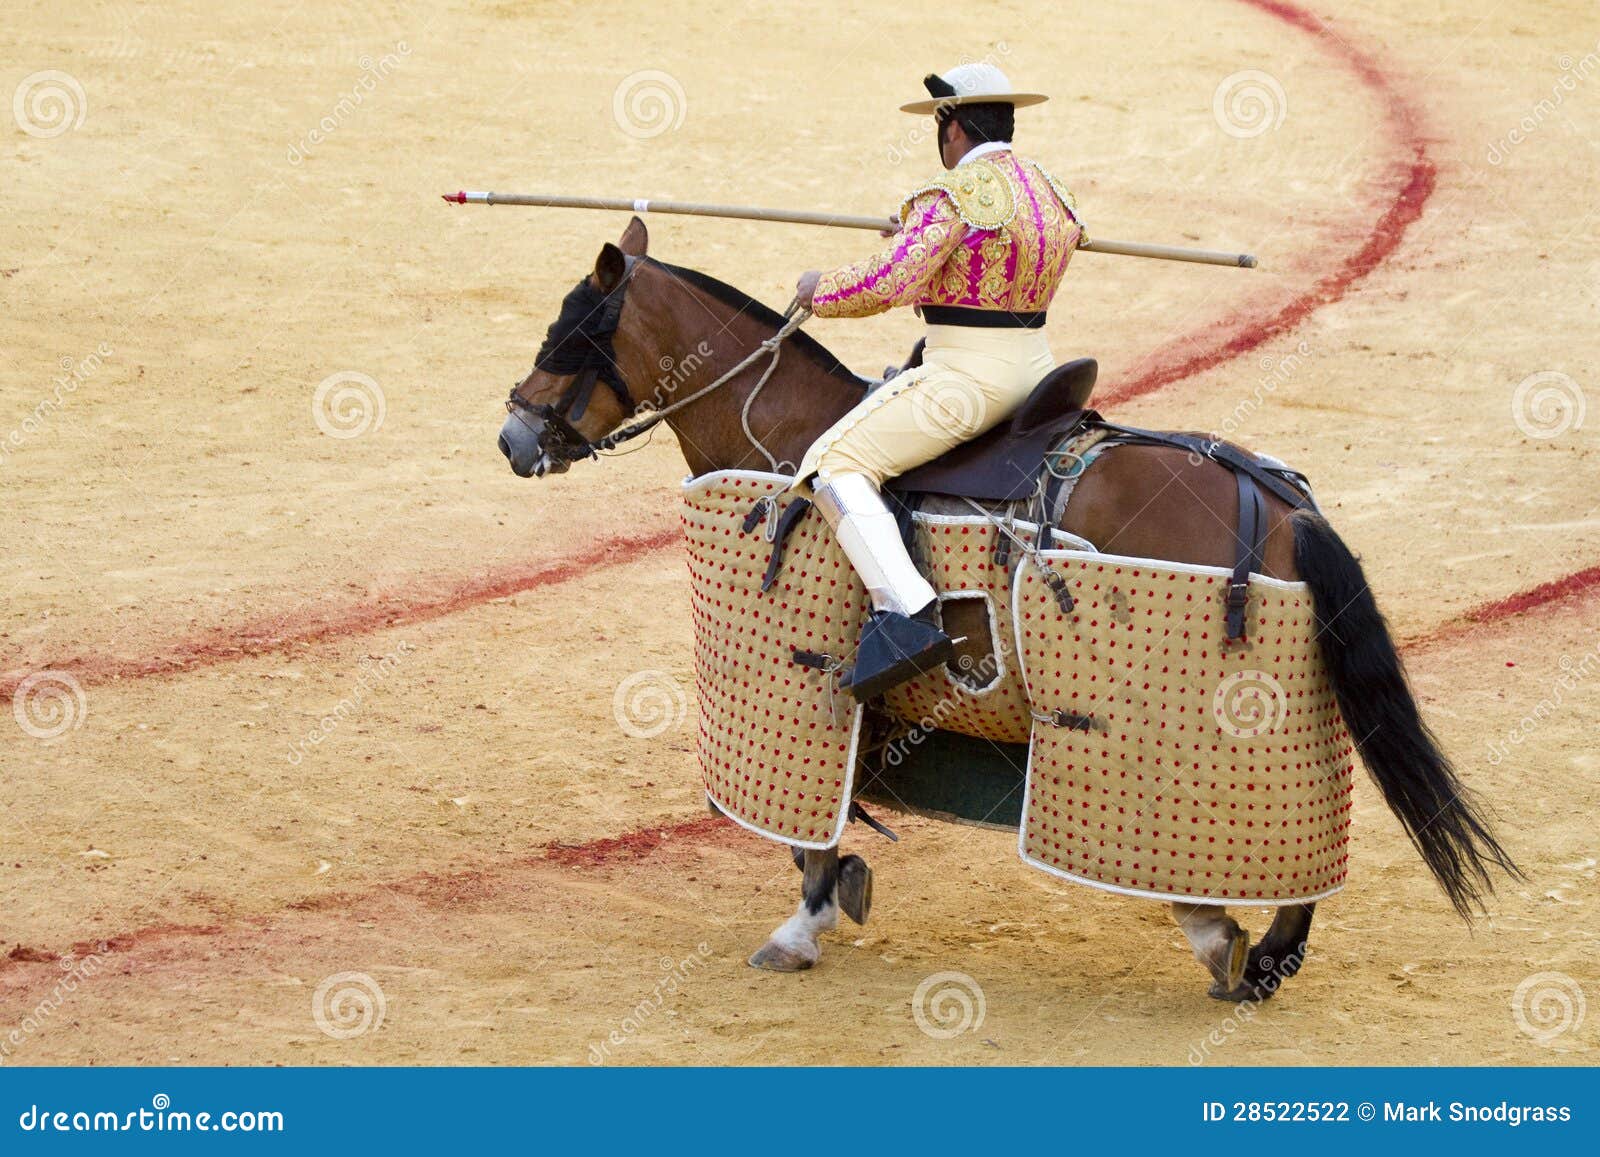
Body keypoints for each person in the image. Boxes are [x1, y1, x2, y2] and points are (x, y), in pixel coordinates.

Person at [793, 62, 1086, 699]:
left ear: (950, 126)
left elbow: (889, 283)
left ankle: (906, 614)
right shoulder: (1050, 190)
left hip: (968, 380)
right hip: (1037, 370)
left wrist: (821, 290)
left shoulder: (954, 194)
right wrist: (924, 240)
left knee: (833, 465)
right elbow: (997, 260)